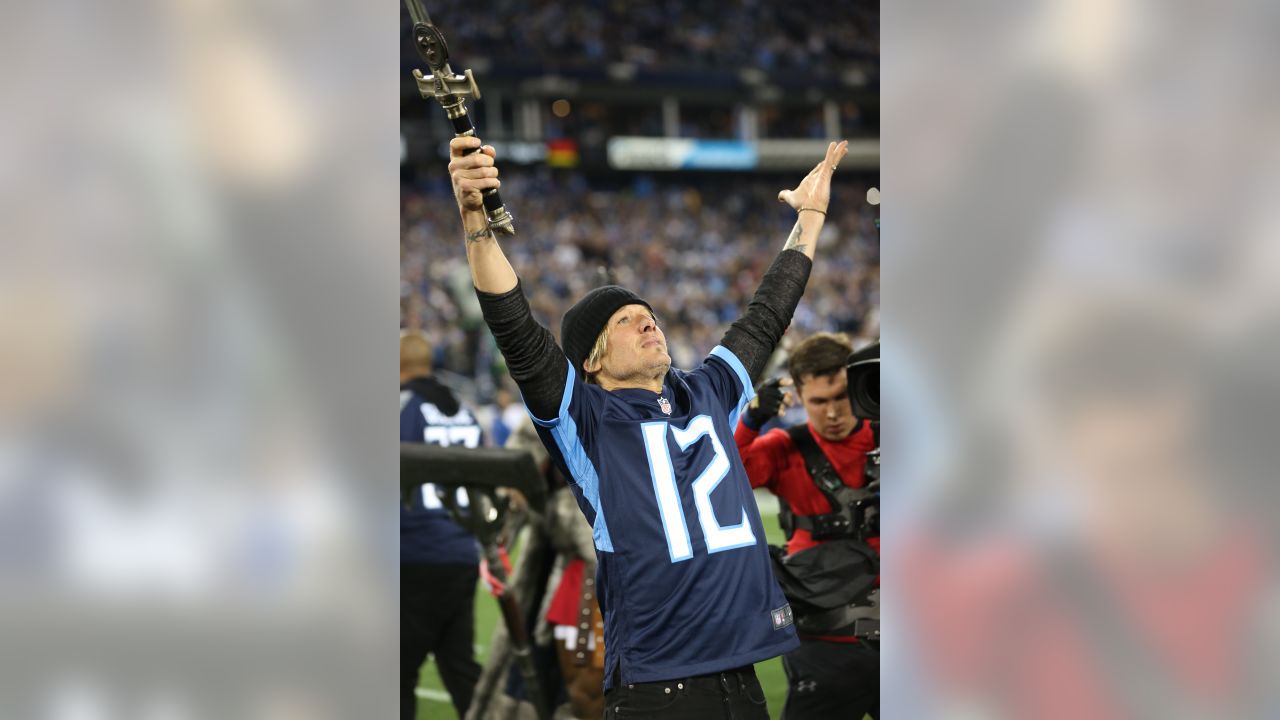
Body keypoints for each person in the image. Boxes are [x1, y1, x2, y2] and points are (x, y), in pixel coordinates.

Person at [447, 133, 850, 719]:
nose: (648, 324)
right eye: (626, 321)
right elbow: (511, 322)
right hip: (659, 690)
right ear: (590, 360)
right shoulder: (585, 417)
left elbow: (768, 314)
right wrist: (475, 220)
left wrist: (810, 217)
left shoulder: (706, 391)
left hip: (744, 681)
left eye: (649, 315)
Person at [734, 332, 880, 719]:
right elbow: (722, 478)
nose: (832, 413)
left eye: (841, 398)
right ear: (799, 396)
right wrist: (751, 420)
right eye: (819, 401)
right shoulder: (783, 447)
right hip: (823, 642)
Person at [399, 330, 483, 719]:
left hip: (413, 556)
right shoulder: (462, 409)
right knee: (463, 674)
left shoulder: (402, 407)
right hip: (462, 553)